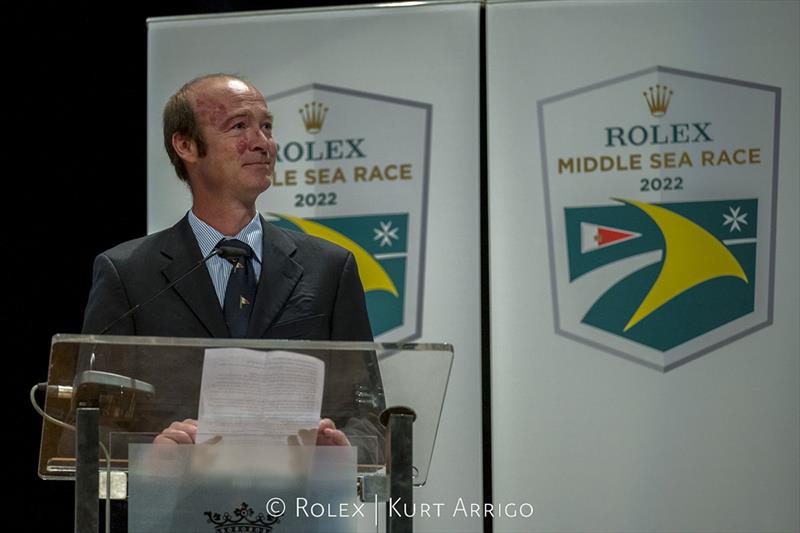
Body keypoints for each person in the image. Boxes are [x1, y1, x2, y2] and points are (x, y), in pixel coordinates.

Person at [81, 73, 382, 450]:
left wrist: (344, 447)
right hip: (176, 501)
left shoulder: (330, 268)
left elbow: (369, 414)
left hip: (301, 501)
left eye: (267, 127)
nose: (263, 144)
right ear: (186, 145)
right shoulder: (126, 273)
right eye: (239, 126)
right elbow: (91, 424)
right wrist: (150, 450)